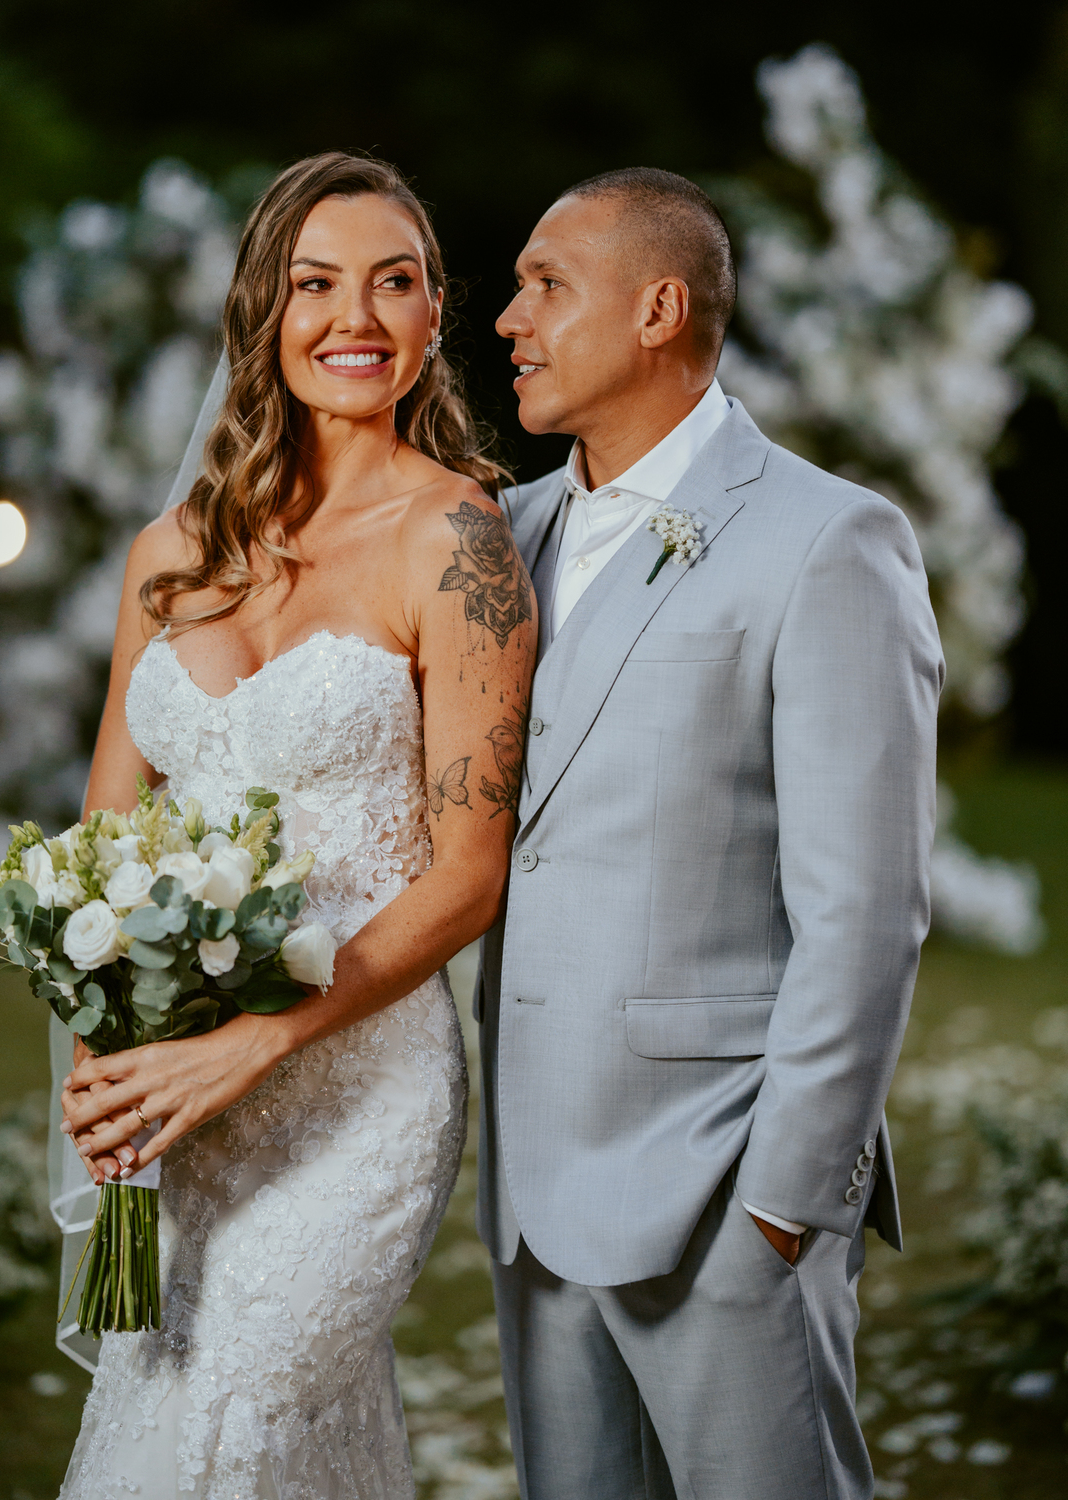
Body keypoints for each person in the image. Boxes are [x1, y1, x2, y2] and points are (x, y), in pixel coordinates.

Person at [57, 151, 535, 1500]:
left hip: (356, 1090)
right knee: (173, 1405)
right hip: (179, 1095)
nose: (357, 318)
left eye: (396, 282)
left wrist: (259, 1043)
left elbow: (469, 875)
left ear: (438, 314)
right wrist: (114, 1053)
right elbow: (106, 835)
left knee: (245, 1406)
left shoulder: (458, 546)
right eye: (318, 284)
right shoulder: (171, 553)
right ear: (265, 311)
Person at [478, 167, 943, 1499]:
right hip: (533, 1197)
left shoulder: (828, 541)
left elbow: (869, 908)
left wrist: (786, 1203)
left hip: (724, 1190)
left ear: (657, 308)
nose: (508, 317)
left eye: (544, 284)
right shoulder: (501, 539)